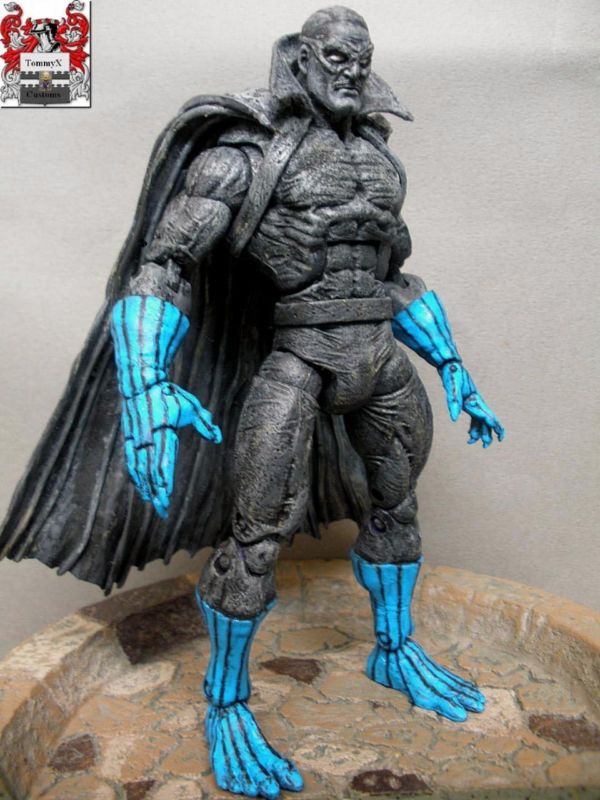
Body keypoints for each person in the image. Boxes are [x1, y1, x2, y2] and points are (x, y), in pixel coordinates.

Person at [1, 7, 504, 799]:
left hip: (381, 362)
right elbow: (166, 264)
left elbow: (395, 278)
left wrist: (452, 366)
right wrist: (145, 381)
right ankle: (228, 702)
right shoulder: (244, 157)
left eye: (362, 57)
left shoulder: (380, 161)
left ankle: (395, 648)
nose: (351, 71)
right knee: (256, 537)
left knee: (398, 510)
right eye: (336, 57)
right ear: (300, 59)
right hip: (297, 364)